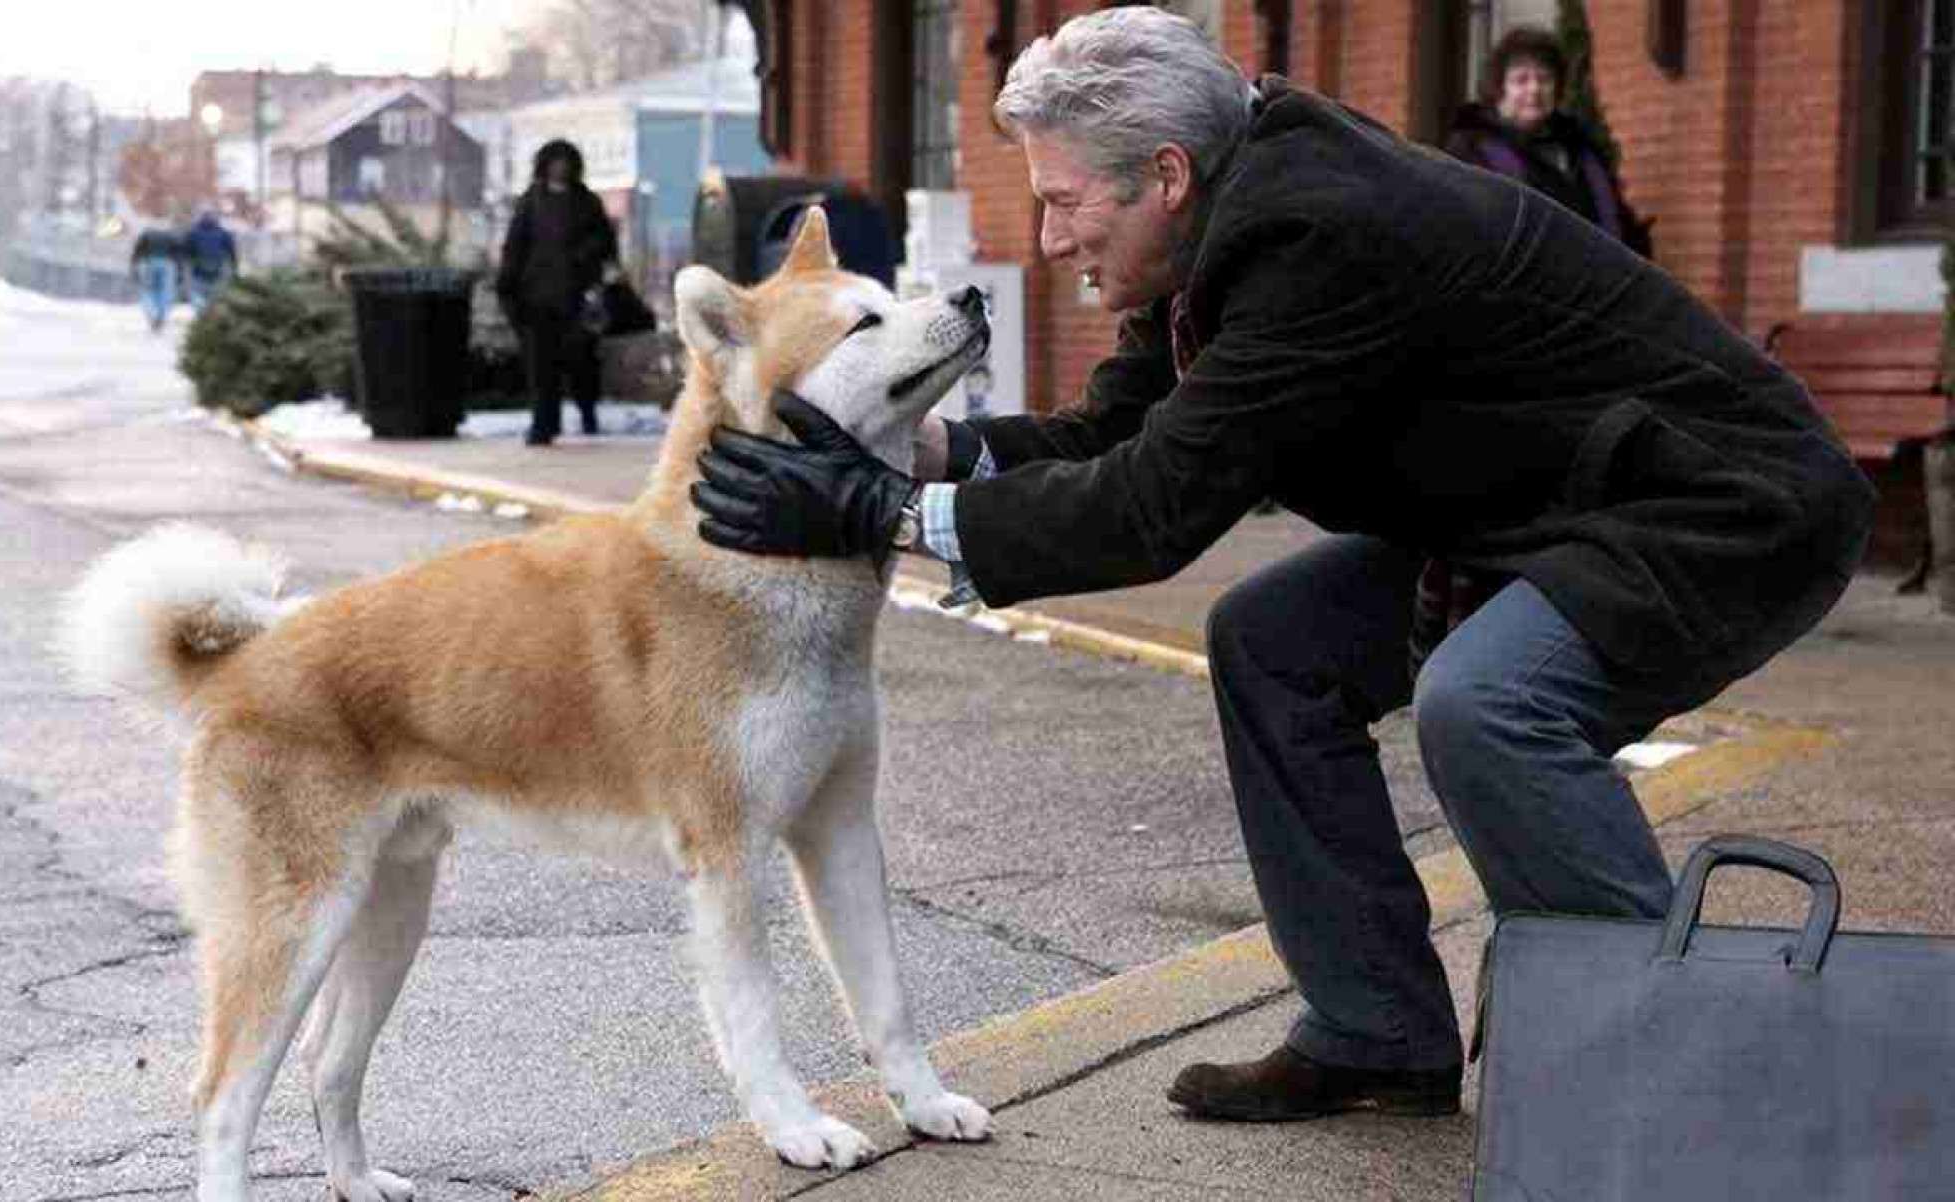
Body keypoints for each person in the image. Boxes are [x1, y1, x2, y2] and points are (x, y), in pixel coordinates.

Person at [690, 8, 1873, 1123]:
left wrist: (879, 510)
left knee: (1489, 703)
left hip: (1717, 501)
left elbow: (1152, 509)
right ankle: (1375, 1030)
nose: (1050, 243)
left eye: (1060, 203)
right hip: (1548, 505)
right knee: (1273, 642)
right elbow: (1118, 435)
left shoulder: (1318, 236)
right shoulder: (1222, 216)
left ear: (1163, 175)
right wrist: (909, 446)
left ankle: (1690, 1069)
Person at [1443, 26, 1652, 259]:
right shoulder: (1472, 152)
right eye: (1521, 80)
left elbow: (1620, 225)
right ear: (1499, 89)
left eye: (1544, 79)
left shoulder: (1582, 150)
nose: (1534, 90)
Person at [495, 138, 618, 446]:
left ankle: (587, 410)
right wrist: (508, 283)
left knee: (581, 362)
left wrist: (583, 260)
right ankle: (543, 425)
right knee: (540, 366)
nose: (560, 167)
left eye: (565, 161)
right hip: (536, 297)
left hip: (576, 297)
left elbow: (606, 243)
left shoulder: (587, 202)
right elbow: (514, 246)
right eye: (554, 161)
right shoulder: (530, 202)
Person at [128, 225, 186, 333]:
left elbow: (137, 252)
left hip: (149, 262)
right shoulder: (171, 236)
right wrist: (180, 272)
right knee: (165, 292)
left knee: (147, 291)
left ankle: (153, 314)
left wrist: (134, 268)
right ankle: (161, 316)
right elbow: (178, 255)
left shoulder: (146, 234)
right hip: (168, 264)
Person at [182, 210, 238, 311]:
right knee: (215, 295)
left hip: (199, 268)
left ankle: (202, 310)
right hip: (218, 267)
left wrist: (186, 265)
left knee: (197, 293)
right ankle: (209, 312)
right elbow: (232, 252)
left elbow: (187, 252)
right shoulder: (223, 233)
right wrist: (234, 266)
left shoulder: (193, 233)